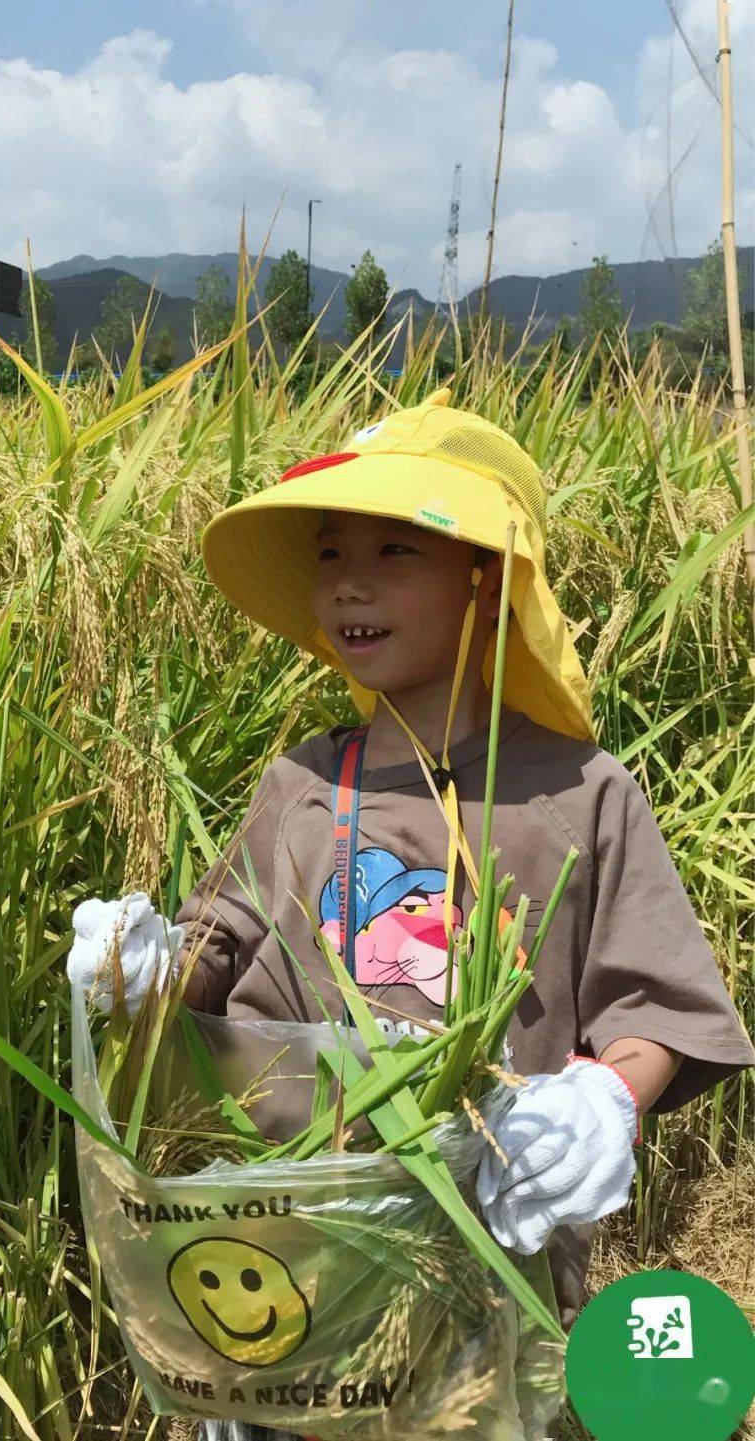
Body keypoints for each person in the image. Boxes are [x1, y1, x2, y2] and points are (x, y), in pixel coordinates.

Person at [67, 387, 754, 1366]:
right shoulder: (302, 784)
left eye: (394, 551)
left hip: (487, 1274)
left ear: (486, 579)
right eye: (333, 554)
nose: (351, 584)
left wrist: (606, 1096)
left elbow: (655, 1010)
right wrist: (140, 967)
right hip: (287, 1266)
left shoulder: (581, 795)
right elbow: (210, 959)